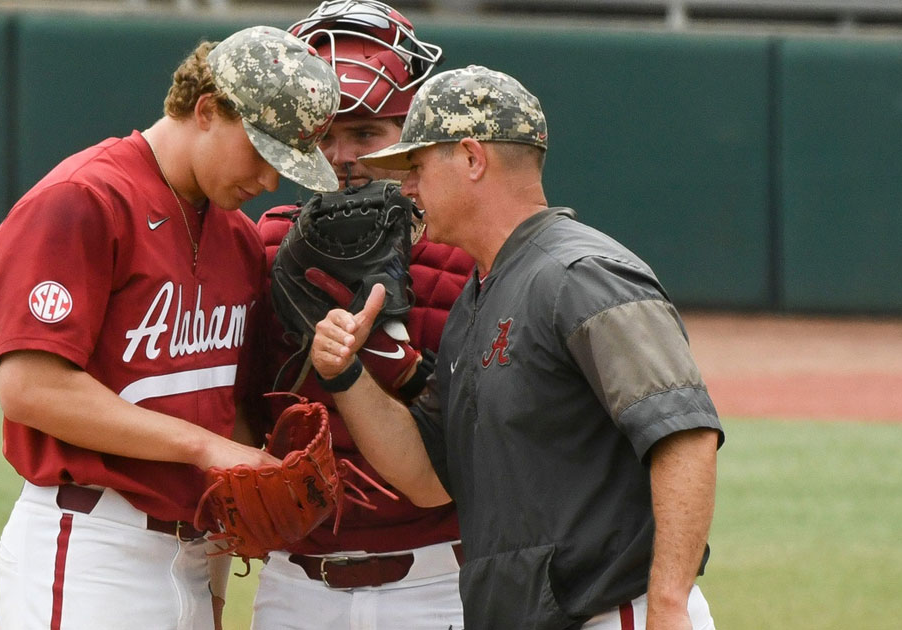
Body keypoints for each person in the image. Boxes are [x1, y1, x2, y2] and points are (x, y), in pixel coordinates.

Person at [310, 65, 724, 630]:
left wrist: (670, 603)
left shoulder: (581, 274)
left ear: (472, 158)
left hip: (615, 613)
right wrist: (345, 374)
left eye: (418, 165)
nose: (406, 187)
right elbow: (428, 478)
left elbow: (684, 433)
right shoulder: (478, 297)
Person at [0, 26, 341, 630]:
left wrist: (219, 580)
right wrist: (205, 448)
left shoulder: (234, 239)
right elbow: (31, 389)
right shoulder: (85, 199)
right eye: (262, 152)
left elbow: (217, 411)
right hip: (93, 545)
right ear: (207, 110)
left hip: (195, 557)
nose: (271, 182)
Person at [251, 2, 473, 629]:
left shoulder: (469, 256)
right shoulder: (263, 247)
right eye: (322, 136)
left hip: (442, 582)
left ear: (412, 135)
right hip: (295, 585)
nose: (340, 156)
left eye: (366, 133)